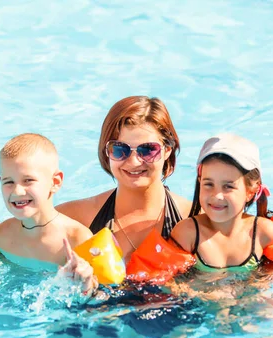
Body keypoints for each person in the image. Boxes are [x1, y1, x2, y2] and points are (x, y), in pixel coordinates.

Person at [56, 96, 191, 262]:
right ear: (107, 151)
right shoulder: (76, 219)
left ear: (167, 150)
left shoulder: (193, 220)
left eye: (148, 150)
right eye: (120, 149)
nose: (134, 162)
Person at [0, 133, 96, 293]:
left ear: (55, 182)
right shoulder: (2, 235)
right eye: (8, 182)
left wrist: (86, 285)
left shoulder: (78, 239)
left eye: (28, 180)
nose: (17, 191)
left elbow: (97, 294)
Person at [171, 133, 273, 273]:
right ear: (200, 182)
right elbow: (172, 285)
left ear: (250, 191)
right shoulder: (188, 234)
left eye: (228, 186)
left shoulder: (264, 233)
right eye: (209, 184)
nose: (217, 195)